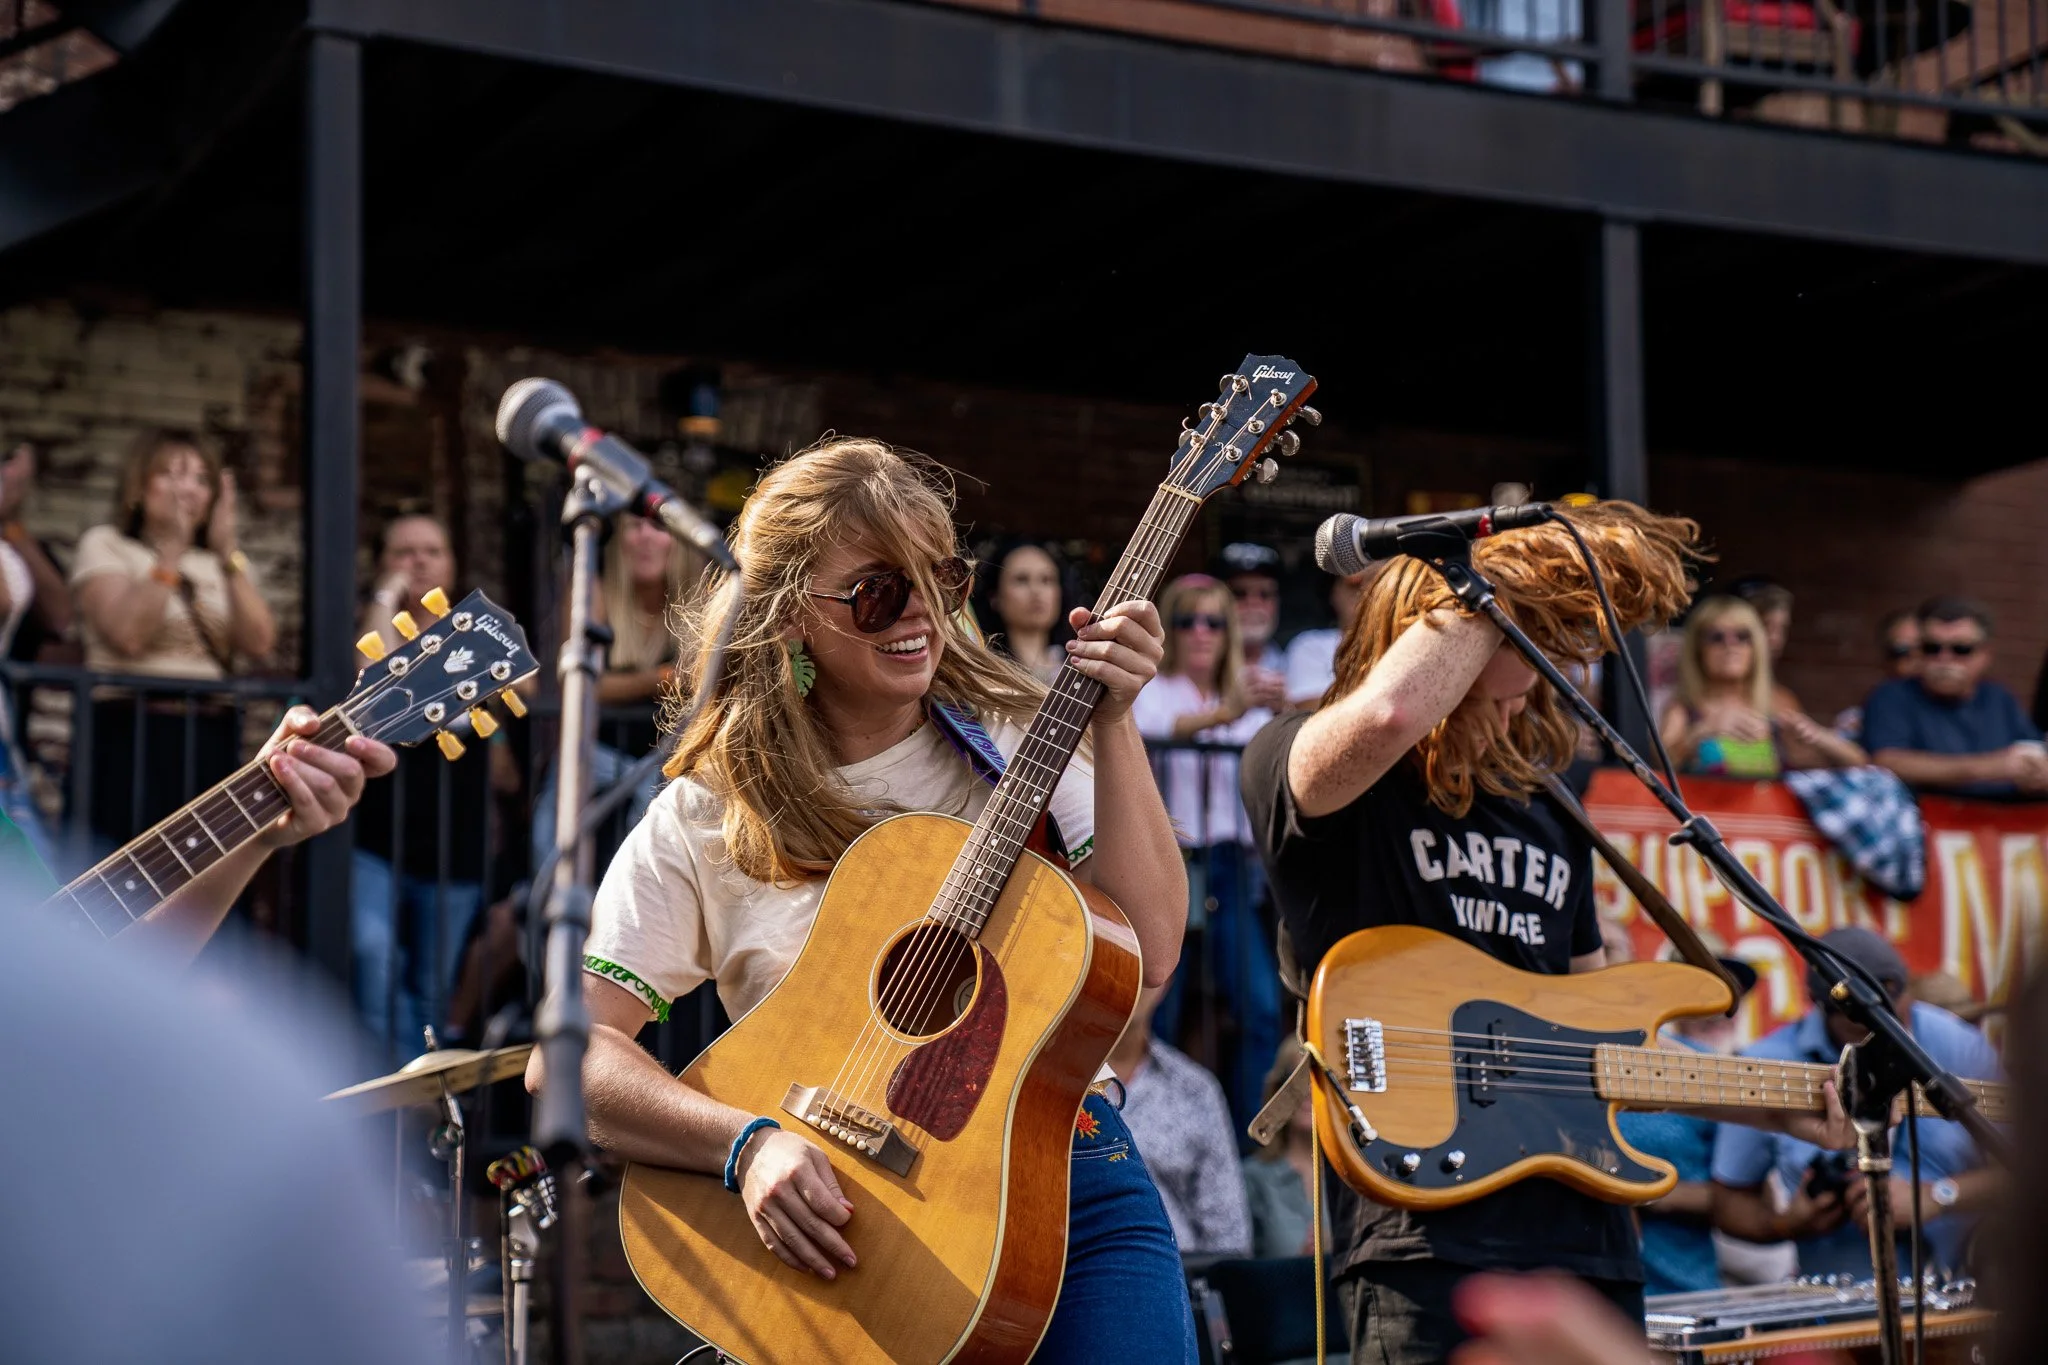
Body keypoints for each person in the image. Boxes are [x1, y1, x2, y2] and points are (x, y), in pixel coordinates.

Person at [534, 438, 1198, 1358]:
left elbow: (1148, 950)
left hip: (1069, 1182)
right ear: (788, 614)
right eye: (879, 591)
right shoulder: (708, 812)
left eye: (942, 578)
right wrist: (745, 1144)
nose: (921, 611)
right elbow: (570, 1056)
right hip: (834, 1231)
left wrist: (1116, 723)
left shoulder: (1020, 736)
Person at [1240, 501, 1855, 1364]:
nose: (1546, 663)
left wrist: (1777, 1104)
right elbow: (1390, 718)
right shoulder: (1298, 756)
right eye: (1523, 630)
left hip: (1587, 1234)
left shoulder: (1549, 803)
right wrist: (1495, 575)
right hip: (1426, 1228)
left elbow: (1604, 1038)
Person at [1711, 926, 2002, 1279]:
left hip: (1965, 1283)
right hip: (1839, 1296)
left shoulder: (1957, 1043)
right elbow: (1728, 1202)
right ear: (1822, 1008)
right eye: (1865, 1025)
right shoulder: (1766, 1062)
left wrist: (1938, 1196)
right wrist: (1788, 1223)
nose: (1884, 1033)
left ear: (1908, 990)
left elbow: (2029, 1166)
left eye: (1896, 1018)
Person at [349, 509, 519, 1059]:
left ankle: (414, 1094)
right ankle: (394, 1088)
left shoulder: (477, 636)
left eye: (431, 551)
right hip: (376, 833)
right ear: (382, 563)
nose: (418, 562)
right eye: (403, 552)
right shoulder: (372, 626)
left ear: (452, 563)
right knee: (373, 953)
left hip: (453, 841)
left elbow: (521, 705)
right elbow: (369, 681)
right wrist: (386, 595)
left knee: (431, 987)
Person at [71, 428, 278, 849]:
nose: (188, 489)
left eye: (201, 479)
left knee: (204, 865)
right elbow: (128, 635)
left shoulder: (224, 565)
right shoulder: (107, 544)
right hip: (131, 732)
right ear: (138, 485)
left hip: (208, 732)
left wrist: (227, 553)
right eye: (171, 474)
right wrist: (171, 551)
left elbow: (258, 643)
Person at [1132, 573, 1280, 1137]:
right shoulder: (1154, 686)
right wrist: (1227, 713)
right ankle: (1147, 1138)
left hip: (1230, 867)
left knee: (1261, 1010)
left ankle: (1246, 1145)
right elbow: (1148, 727)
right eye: (1187, 619)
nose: (1201, 631)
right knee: (1158, 1012)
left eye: (1214, 621)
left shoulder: (1245, 695)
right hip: (1170, 861)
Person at [531, 511, 703, 870]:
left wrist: (647, 682)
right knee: (552, 850)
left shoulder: (700, 597)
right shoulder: (593, 590)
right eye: (634, 526)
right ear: (618, 541)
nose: (646, 537)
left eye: (658, 527)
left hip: (670, 762)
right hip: (598, 753)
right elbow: (580, 685)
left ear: (679, 541)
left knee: (652, 868)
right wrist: (661, 678)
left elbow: (707, 680)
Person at [1613, 931, 1761, 1296]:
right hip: (1608, 1288)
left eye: (1729, 995)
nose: (1719, 1010)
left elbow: (1748, 1196)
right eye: (1702, 994)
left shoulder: (1756, 1078)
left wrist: (1644, 1193)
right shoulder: (1637, 1063)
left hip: (1693, 1287)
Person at [1108, 983, 1253, 1256]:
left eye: (1143, 967)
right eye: (1120, 963)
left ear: (1166, 976)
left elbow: (1228, 1233)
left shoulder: (1196, 1089)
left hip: (1183, 1272)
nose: (1132, 978)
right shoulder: (1050, 1076)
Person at [1658, 596, 1863, 779]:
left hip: (1768, 809)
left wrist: (1816, 736)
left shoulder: (1778, 701)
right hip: (1703, 808)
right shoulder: (1683, 708)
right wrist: (1706, 729)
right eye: (1716, 637)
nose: (1730, 645)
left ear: (1756, 646)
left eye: (1742, 636)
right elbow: (1658, 765)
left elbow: (1856, 763)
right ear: (1697, 650)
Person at [1863, 597, 2048, 799]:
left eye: (1961, 649)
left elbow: (2033, 751)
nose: (1944, 659)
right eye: (1932, 648)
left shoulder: (2000, 697)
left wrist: (2038, 774)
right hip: (1923, 813)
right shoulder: (1892, 696)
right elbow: (1888, 761)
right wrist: (1989, 768)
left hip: (2005, 814)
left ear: (1985, 655)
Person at [0, 440, 71, 864]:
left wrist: (11, 523)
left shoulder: (15, 545)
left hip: (5, 735)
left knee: (31, 878)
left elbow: (61, 616)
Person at [1242, 1035, 1334, 1260]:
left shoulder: (1354, 1181)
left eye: (1319, 1078)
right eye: (1296, 1079)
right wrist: (1296, 1268)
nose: (1308, 1091)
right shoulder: (1252, 1178)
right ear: (1277, 1091)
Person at [977, 538, 1072, 684]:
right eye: (1021, 579)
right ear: (994, 597)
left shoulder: (1078, 668)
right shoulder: (980, 670)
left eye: (1046, 580)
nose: (1036, 591)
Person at [1284, 566, 1372, 709]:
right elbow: (1310, 709)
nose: (1365, 592)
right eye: (1354, 586)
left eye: (1375, 584)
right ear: (1334, 592)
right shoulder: (1310, 645)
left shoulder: (1400, 642)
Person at [1217, 541, 1290, 708]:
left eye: (1265, 594)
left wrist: (1287, 711)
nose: (1253, 604)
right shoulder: (1195, 666)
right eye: (1239, 594)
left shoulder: (1294, 666)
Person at [1836, 609, 1921, 741]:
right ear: (1886, 660)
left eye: (1929, 648)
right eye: (1902, 651)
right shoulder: (1860, 719)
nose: (1916, 658)